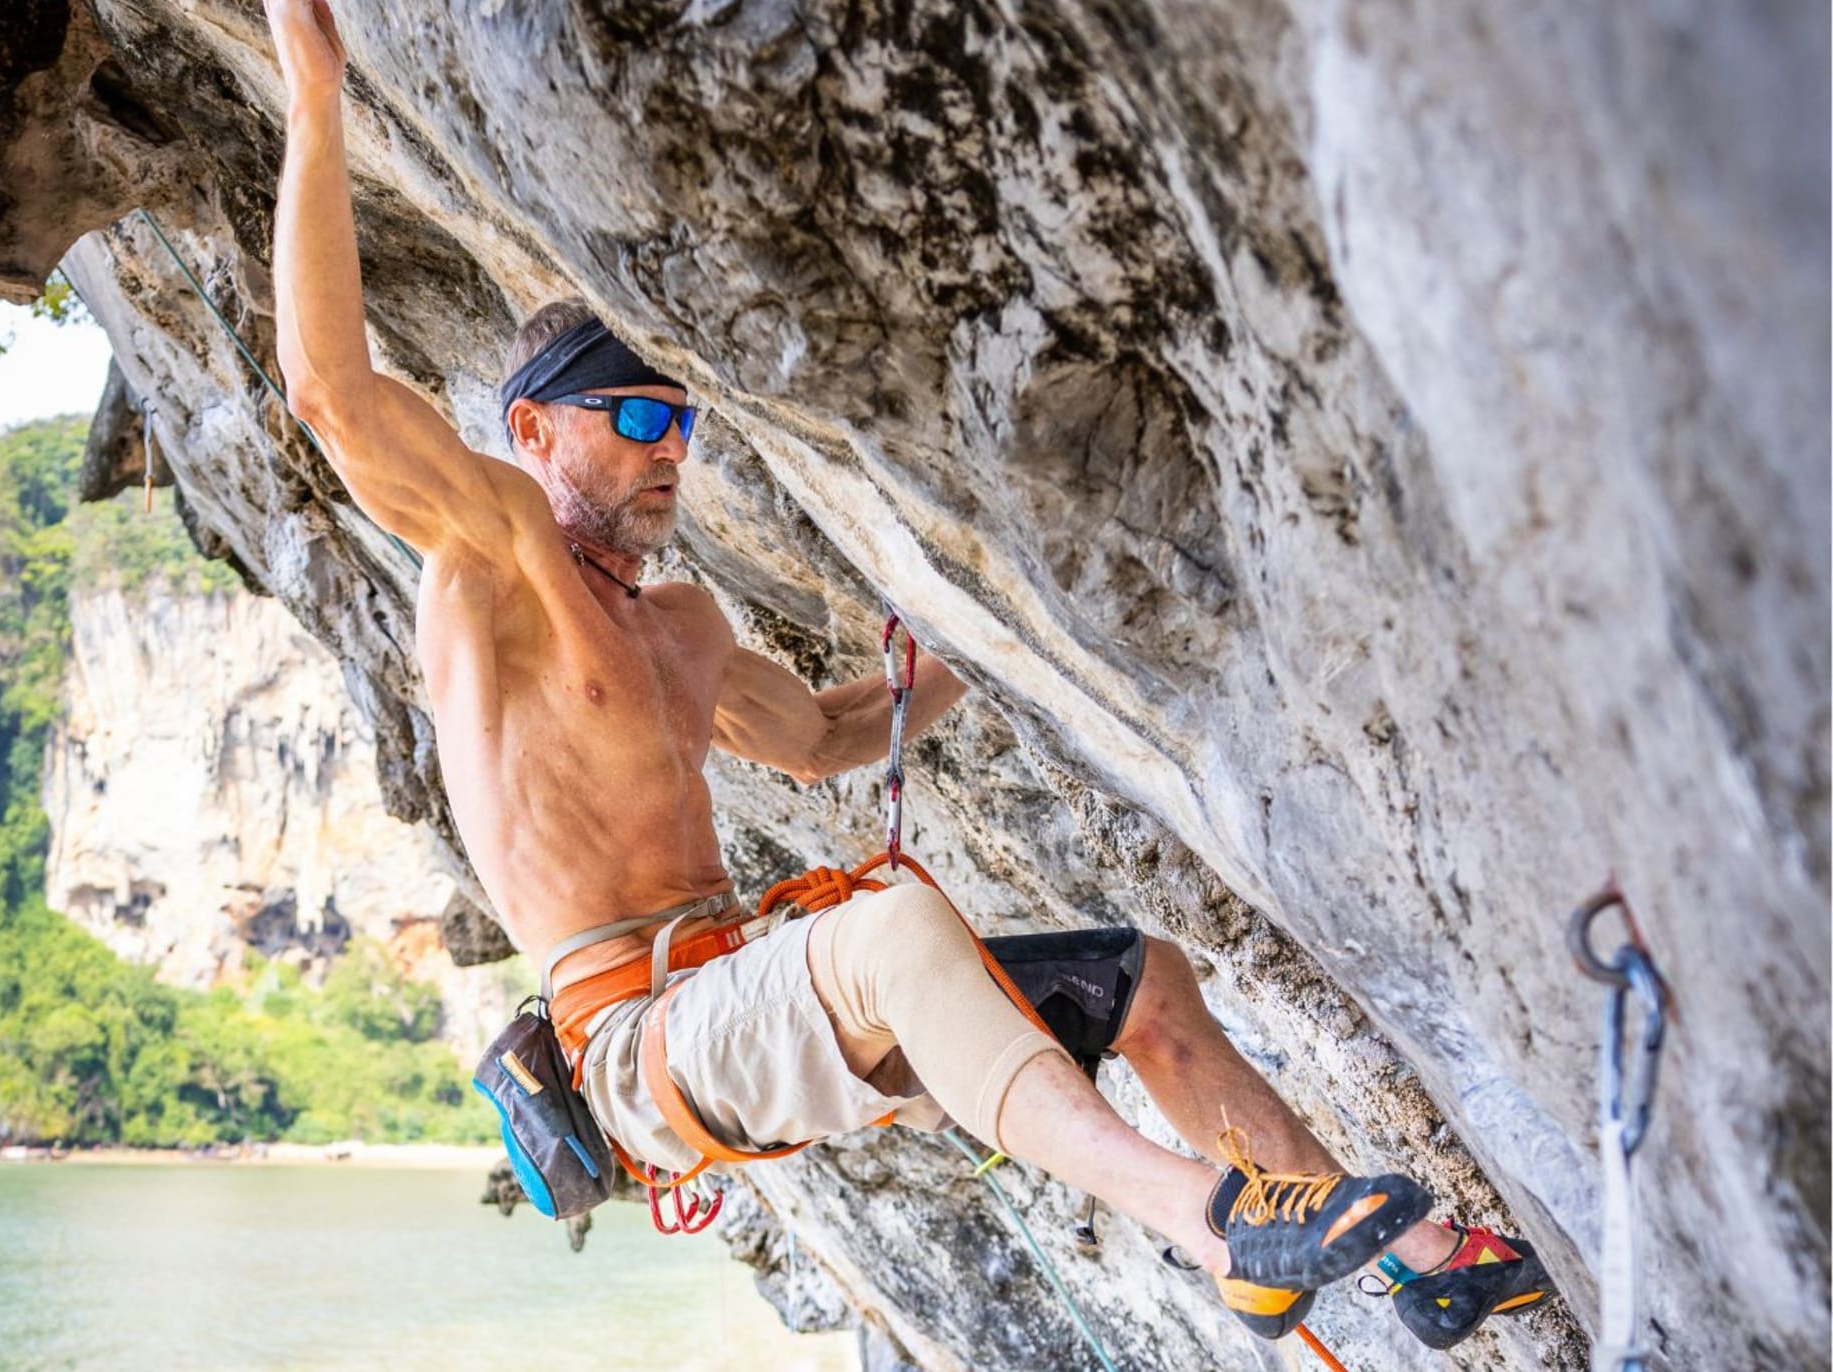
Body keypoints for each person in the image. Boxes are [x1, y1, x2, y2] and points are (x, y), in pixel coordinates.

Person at [258, 0, 1549, 1348]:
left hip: (755, 1000)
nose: (668, 452)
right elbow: (332, 397)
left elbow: (827, 737)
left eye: (682, 423)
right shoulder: (493, 556)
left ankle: (1407, 1253)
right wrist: (313, 86)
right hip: (647, 1052)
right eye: (635, 417)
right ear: (533, 429)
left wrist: (993, 638)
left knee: (1144, 979)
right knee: (883, 935)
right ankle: (1222, 1223)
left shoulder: (685, 627)